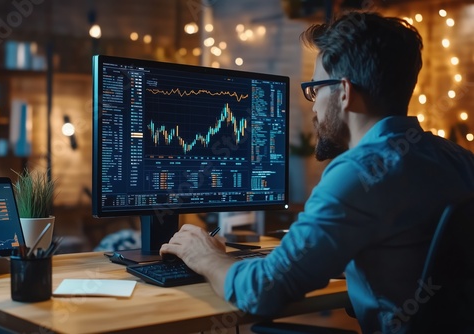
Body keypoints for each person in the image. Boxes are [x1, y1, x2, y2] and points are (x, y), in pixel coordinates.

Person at [160, 11, 474, 333]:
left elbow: (262, 293)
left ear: (344, 92)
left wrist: (207, 257)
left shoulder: (356, 174)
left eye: (314, 89)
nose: (313, 106)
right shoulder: (460, 160)